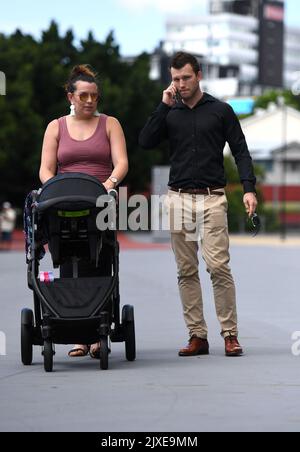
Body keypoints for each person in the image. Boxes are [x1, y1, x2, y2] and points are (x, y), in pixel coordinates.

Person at [139, 52, 257, 357]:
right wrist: (163, 105)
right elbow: (146, 141)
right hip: (177, 198)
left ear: (199, 76)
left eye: (186, 78)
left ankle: (230, 334)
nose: (181, 84)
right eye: (176, 79)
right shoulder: (170, 112)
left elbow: (241, 151)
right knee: (186, 270)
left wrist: (248, 189)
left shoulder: (221, 110)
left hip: (212, 198)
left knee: (218, 266)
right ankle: (197, 336)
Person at [39, 64, 128, 358]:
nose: (90, 101)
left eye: (95, 96)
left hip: (100, 199)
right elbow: (46, 169)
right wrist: (54, 191)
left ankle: (95, 332)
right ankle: (77, 334)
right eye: (84, 96)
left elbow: (121, 163)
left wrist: (108, 184)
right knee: (68, 256)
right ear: (71, 97)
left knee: (101, 258)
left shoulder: (110, 124)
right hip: (64, 202)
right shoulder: (56, 126)